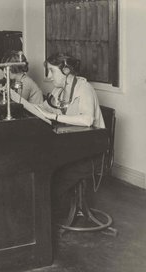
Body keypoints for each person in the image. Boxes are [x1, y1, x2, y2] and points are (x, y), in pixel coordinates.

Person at [37, 53, 105, 204]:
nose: (48, 76)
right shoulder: (58, 90)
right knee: (39, 166)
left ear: (66, 70)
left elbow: (87, 120)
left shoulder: (84, 88)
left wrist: (53, 117)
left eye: (52, 71)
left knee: (54, 175)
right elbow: (43, 108)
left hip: (89, 152)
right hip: (70, 147)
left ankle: (56, 213)